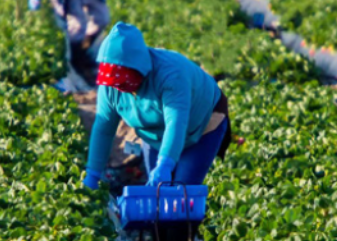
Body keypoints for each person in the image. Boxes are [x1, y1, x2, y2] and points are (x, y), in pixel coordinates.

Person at [83, 22, 231, 190]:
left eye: (121, 79)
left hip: (202, 123)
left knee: (180, 192)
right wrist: (93, 174)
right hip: (155, 134)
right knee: (158, 193)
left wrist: (165, 164)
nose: (117, 86)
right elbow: (104, 129)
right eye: (113, 81)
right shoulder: (110, 87)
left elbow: (176, 123)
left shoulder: (170, 74)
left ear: (137, 68)